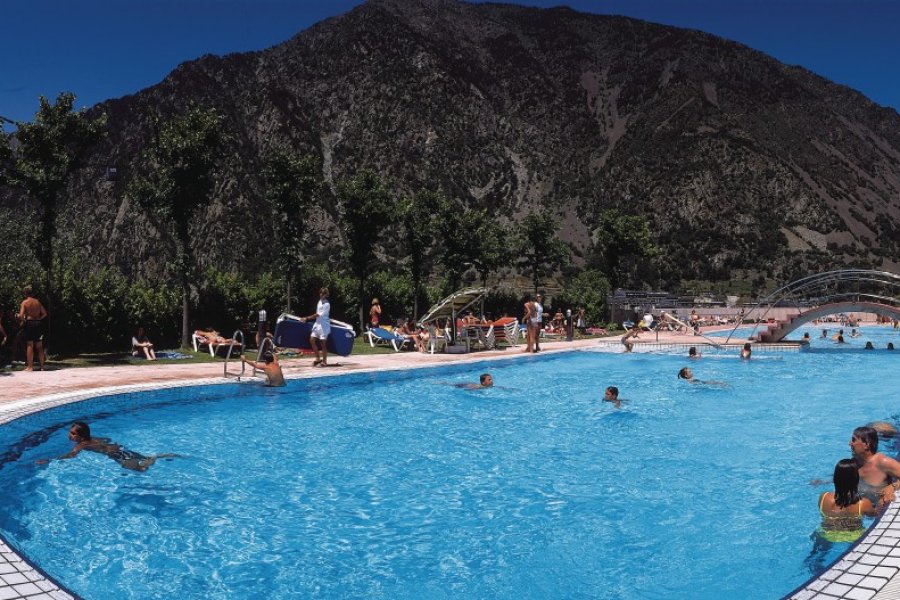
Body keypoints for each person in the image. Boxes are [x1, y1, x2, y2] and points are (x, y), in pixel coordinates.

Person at [39, 421, 176, 472]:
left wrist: (50, 460)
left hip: (116, 454)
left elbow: (70, 455)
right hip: (121, 448)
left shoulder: (81, 446)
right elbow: (107, 439)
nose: (70, 435)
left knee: (140, 469)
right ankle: (161, 456)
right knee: (144, 458)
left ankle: (155, 458)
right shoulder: (95, 438)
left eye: (73, 434)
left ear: (80, 436)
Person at [816, 459, 878, 543]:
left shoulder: (823, 497)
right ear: (855, 478)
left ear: (835, 477)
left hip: (826, 534)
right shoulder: (863, 503)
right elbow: (875, 516)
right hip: (853, 537)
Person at [850, 426, 900, 506]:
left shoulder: (882, 462)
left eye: (853, 440)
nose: (850, 443)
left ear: (866, 444)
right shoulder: (854, 464)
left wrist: (893, 486)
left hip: (877, 510)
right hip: (865, 510)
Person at [18, 285, 47, 371]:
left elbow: (21, 316)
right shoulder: (37, 302)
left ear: (25, 293)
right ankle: (42, 367)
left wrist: (24, 320)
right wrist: (39, 318)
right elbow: (45, 313)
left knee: (30, 344)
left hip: (30, 323)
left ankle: (30, 367)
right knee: (39, 346)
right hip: (38, 324)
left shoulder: (25, 302)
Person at [300, 287, 331, 367]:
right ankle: (318, 358)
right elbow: (317, 314)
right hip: (317, 324)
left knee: (323, 344)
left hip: (324, 326)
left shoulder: (327, 304)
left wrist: (306, 318)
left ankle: (324, 361)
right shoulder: (319, 302)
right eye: (320, 292)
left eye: (323, 293)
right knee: (312, 340)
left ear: (326, 294)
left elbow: (317, 314)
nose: (321, 294)